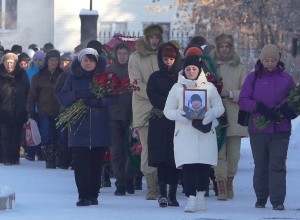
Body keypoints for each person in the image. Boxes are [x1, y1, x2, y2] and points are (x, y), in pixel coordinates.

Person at [238, 44, 297, 210]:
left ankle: (277, 201)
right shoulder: (253, 78)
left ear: (277, 61)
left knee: (277, 165)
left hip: (281, 129)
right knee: (261, 165)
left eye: (273, 60)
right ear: (261, 60)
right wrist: (259, 107)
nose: (270, 63)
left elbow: (295, 102)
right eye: (266, 60)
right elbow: (243, 100)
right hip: (259, 129)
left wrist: (289, 111)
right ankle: (261, 198)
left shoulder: (286, 78)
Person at [163, 54, 225, 212]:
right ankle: (191, 198)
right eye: (188, 69)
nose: (191, 71)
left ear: (199, 70)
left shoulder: (209, 87)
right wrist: (177, 114)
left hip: (205, 134)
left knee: (204, 166)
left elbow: (220, 107)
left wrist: (211, 113)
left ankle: (201, 196)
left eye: (194, 68)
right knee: (189, 167)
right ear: (184, 70)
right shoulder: (177, 88)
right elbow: (167, 110)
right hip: (185, 134)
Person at [59, 48, 117, 206]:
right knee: (80, 164)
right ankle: (83, 195)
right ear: (80, 61)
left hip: (100, 127)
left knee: (96, 164)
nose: (88, 63)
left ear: (96, 62)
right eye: (85, 60)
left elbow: (113, 98)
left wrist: (99, 102)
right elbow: (63, 98)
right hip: (79, 128)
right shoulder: (72, 77)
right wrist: (77, 95)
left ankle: (93, 194)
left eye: (91, 60)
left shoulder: (105, 78)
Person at [209, 33, 248, 200]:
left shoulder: (240, 67)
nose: (224, 50)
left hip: (234, 115)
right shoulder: (210, 66)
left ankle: (230, 180)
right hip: (216, 116)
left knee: (233, 155)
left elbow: (247, 92)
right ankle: (221, 185)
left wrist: (230, 93)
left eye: (227, 46)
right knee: (218, 153)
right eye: (221, 46)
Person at [128, 24, 163, 200]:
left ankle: (162, 184)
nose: (154, 40)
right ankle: (151, 185)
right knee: (147, 148)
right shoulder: (135, 58)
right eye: (151, 37)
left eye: (157, 37)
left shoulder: (165, 55)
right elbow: (135, 83)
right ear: (146, 38)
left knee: (164, 147)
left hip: (164, 108)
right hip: (144, 108)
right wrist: (155, 95)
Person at [147, 42, 182, 207]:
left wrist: (175, 107)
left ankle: (173, 195)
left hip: (177, 121)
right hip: (160, 120)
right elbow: (153, 96)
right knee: (161, 158)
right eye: (166, 58)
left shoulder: (181, 76)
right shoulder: (155, 77)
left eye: (171, 58)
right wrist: (170, 105)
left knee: (175, 158)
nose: (169, 61)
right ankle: (162, 193)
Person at [106, 41, 135, 195]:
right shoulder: (110, 70)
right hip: (114, 116)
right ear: (115, 55)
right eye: (120, 54)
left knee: (132, 151)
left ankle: (129, 179)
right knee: (116, 152)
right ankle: (120, 183)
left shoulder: (134, 70)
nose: (122, 57)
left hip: (132, 115)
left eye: (125, 54)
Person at [27, 49, 63, 168]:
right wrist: (30, 111)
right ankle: (49, 160)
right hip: (44, 111)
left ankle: (60, 159)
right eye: (51, 60)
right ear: (47, 61)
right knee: (46, 137)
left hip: (60, 111)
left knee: (61, 136)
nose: (53, 62)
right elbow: (32, 95)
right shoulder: (39, 76)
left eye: (56, 60)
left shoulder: (63, 75)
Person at [0, 53, 30, 165]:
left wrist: (27, 108)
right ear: (3, 63)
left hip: (19, 110)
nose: (9, 64)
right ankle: (6, 157)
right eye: (7, 62)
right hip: (3, 111)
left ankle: (15, 157)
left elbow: (28, 91)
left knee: (17, 136)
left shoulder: (22, 74)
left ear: (15, 63)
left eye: (11, 62)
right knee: (5, 135)